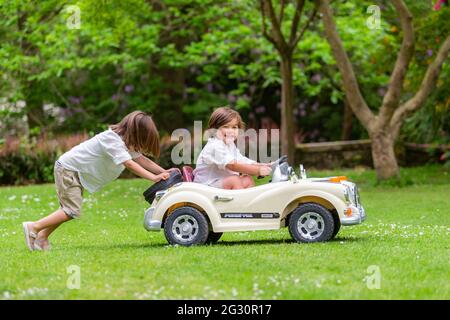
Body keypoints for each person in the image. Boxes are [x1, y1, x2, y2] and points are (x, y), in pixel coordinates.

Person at [22, 111, 172, 251]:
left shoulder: (125, 142)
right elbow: (129, 163)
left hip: (75, 172)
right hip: (69, 169)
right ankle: (34, 227)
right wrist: (153, 178)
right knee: (70, 210)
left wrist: (163, 172)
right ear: (136, 133)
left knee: (68, 210)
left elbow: (141, 159)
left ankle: (42, 237)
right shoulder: (111, 139)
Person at [193, 106, 272, 189]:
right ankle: (239, 201)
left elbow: (241, 160)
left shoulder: (230, 145)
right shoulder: (214, 145)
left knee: (247, 178)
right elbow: (233, 165)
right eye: (226, 127)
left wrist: (262, 165)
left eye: (234, 127)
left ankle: (249, 201)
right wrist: (258, 171)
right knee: (234, 180)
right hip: (205, 186)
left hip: (219, 184)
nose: (230, 131)